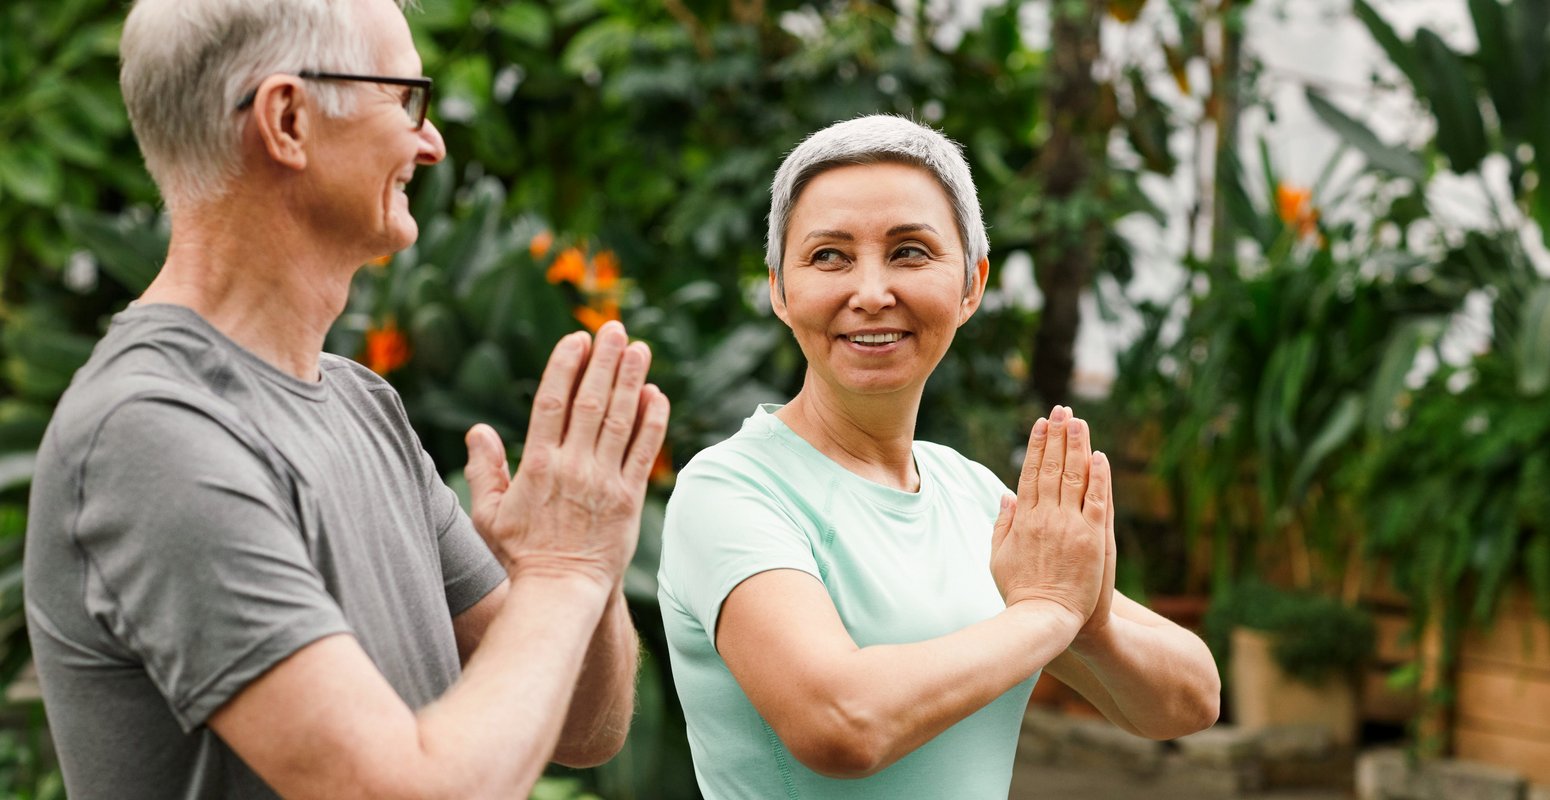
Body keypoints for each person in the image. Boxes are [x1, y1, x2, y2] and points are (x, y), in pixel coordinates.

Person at [22, 0, 669, 797]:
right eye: (404, 99)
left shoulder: (364, 404)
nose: (429, 142)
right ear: (288, 119)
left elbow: (582, 727)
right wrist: (569, 570)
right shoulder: (148, 434)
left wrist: (568, 572)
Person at [657, 115, 1220, 799]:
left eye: (910, 252)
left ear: (971, 286)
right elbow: (841, 722)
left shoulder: (971, 493)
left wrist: (1090, 624)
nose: (870, 293)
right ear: (780, 289)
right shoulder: (730, 490)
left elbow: (1191, 699)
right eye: (829, 256)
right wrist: (1044, 614)